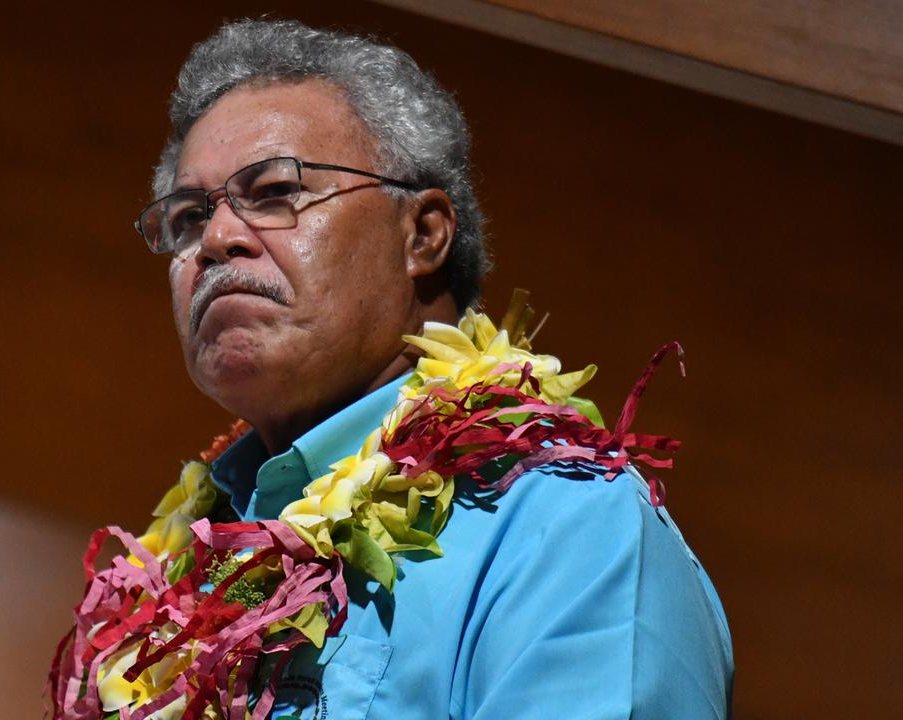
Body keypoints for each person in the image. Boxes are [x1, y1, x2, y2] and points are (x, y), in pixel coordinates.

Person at [55, 18, 733, 719]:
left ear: (424, 235)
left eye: (277, 191)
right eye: (191, 216)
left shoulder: (565, 526)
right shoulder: (190, 567)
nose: (219, 238)